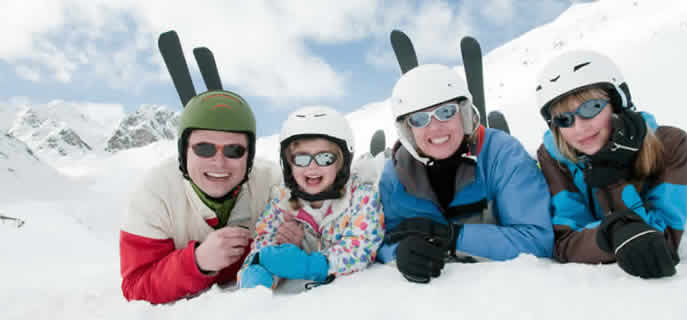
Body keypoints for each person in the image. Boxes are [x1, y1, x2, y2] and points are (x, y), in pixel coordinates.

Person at [377, 64, 554, 284]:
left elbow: (536, 239)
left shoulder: (501, 154)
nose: (435, 128)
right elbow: (379, 242)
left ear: (464, 113)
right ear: (407, 130)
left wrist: (453, 237)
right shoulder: (396, 176)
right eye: (419, 119)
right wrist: (400, 252)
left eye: (445, 112)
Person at [534, 50, 687, 278]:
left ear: (618, 103)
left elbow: (662, 242)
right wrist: (610, 234)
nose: (579, 128)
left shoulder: (671, 144)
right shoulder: (554, 158)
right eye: (564, 119)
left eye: (591, 108)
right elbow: (565, 241)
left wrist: (615, 179)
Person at [119, 90, 281, 304]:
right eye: (204, 149)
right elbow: (135, 285)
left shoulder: (272, 186)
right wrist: (197, 262)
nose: (219, 163)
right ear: (183, 151)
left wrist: (297, 240)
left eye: (234, 151)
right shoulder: (154, 196)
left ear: (249, 156)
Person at [237, 106, 384, 291]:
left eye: (325, 158)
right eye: (301, 159)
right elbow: (264, 240)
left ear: (343, 161)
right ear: (288, 164)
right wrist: (258, 267)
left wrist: (312, 265)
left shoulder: (361, 198)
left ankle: (379, 157)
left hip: (344, 293)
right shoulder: (282, 202)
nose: (312, 167)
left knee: (377, 168)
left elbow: (361, 248)